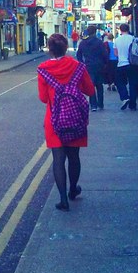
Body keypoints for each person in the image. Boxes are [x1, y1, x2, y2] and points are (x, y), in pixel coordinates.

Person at [37, 33, 95, 211]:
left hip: (54, 119)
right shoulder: (77, 66)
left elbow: (43, 98)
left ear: (50, 49)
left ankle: (63, 199)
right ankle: (73, 189)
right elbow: (90, 90)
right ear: (65, 47)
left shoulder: (43, 69)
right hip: (75, 117)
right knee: (74, 157)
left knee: (58, 159)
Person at [75, 24, 108, 110]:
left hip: (88, 66)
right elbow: (104, 54)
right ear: (95, 32)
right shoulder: (99, 42)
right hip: (99, 66)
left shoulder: (83, 43)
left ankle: (93, 105)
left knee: (91, 85)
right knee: (99, 85)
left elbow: (79, 55)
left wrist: (82, 63)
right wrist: (105, 63)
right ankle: (100, 104)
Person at [113, 22, 138, 111]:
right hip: (132, 64)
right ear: (128, 29)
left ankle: (125, 97)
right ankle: (132, 105)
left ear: (120, 30)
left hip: (121, 64)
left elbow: (116, 53)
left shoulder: (117, 40)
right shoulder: (134, 39)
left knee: (119, 82)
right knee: (133, 84)